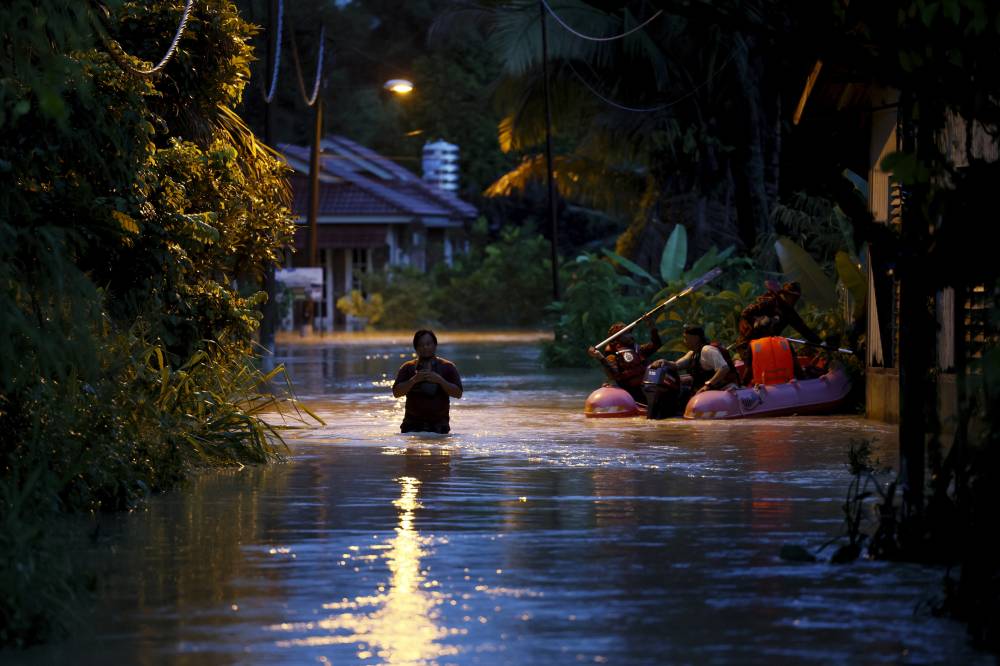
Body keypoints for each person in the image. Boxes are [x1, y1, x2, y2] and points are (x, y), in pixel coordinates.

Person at [735, 281, 822, 380]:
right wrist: (757, 322)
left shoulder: (789, 313)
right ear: (784, 294)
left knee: (788, 349)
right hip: (749, 343)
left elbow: (804, 330)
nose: (794, 300)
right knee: (751, 365)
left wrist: (821, 342)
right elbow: (745, 314)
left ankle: (802, 379)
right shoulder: (768, 302)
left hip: (770, 343)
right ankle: (743, 386)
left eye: (796, 297)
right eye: (792, 296)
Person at [392, 329, 462, 433]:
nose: (425, 347)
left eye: (428, 344)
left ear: (435, 345)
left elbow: (458, 393)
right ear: (416, 348)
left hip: (439, 428)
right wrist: (414, 380)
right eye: (421, 345)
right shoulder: (407, 367)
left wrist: (439, 380)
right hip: (411, 427)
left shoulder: (447, 367)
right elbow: (396, 393)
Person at [587, 317, 662, 404]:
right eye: (626, 334)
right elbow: (614, 375)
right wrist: (600, 357)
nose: (631, 336)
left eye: (630, 333)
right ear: (618, 338)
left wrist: (652, 327)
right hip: (632, 393)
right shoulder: (613, 355)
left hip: (647, 388)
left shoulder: (639, 349)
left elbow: (657, 344)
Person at [673, 325, 740, 395]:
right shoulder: (693, 354)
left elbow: (724, 368)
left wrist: (708, 385)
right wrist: (665, 363)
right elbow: (677, 364)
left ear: (696, 338)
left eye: (686, 338)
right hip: (711, 393)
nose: (684, 341)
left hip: (724, 392)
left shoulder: (707, 350)